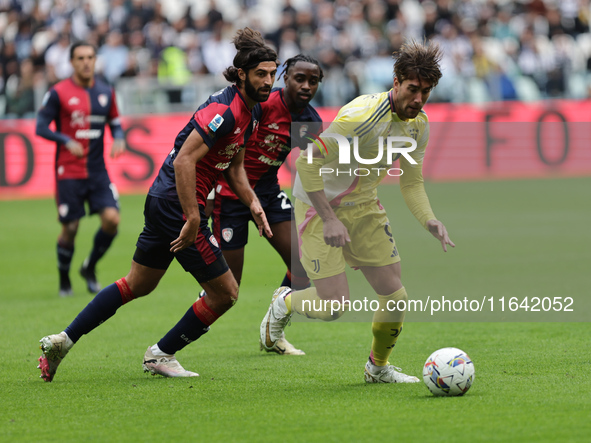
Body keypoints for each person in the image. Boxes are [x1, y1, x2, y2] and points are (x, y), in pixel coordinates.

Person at [37, 28, 278, 382]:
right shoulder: (224, 110)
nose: (268, 81)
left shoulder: (253, 113)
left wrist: (253, 204)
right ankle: (161, 353)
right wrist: (194, 216)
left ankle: (63, 340)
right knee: (225, 294)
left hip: (165, 200)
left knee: (138, 283)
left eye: (273, 74)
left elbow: (235, 166)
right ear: (241, 74)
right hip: (177, 204)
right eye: (261, 74)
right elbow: (184, 161)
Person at [259, 40, 455, 383]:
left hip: (364, 205)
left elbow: (410, 182)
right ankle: (285, 302)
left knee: (396, 295)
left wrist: (430, 219)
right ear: (395, 81)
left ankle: (377, 368)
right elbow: (307, 164)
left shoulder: (418, 125)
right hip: (318, 206)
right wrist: (330, 218)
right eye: (413, 89)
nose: (419, 99)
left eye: (426, 91)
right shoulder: (360, 116)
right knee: (333, 306)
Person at [207, 54, 323, 356]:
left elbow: (308, 169)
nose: (306, 86)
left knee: (302, 265)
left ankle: (273, 331)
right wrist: (208, 192)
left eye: (313, 81)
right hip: (231, 195)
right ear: (285, 77)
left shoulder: (309, 122)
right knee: (227, 289)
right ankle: (189, 325)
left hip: (268, 196)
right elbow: (225, 148)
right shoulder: (261, 106)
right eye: (300, 78)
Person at [36, 41, 126, 297]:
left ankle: (89, 267)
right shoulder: (58, 92)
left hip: (98, 172)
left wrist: (118, 136)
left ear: (96, 60)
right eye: (80, 58)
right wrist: (66, 140)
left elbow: (116, 123)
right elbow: (40, 127)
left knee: (112, 220)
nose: (86, 62)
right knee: (71, 228)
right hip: (69, 172)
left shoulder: (106, 92)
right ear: (72, 62)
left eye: (90, 57)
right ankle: (64, 279)